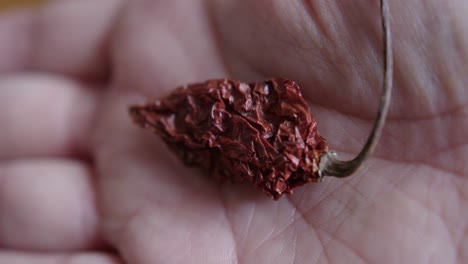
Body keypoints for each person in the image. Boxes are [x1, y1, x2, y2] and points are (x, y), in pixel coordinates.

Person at [0, 0, 466, 263]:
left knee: (196, 120)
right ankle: (153, 115)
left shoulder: (295, 147)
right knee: (196, 119)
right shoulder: (294, 141)